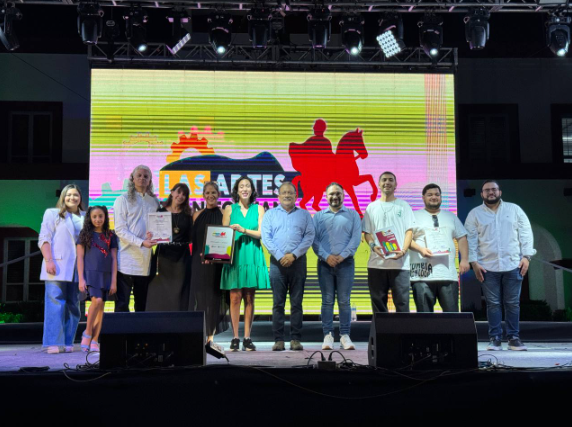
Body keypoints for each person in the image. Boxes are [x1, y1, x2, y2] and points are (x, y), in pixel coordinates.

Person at [465, 180, 536, 351]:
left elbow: (526, 233)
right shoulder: (475, 214)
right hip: (486, 267)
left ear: (500, 192)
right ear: (482, 194)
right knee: (493, 304)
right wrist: (474, 263)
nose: (491, 192)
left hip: (513, 264)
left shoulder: (514, 210)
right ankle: (495, 339)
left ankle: (513, 338)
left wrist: (527, 257)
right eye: (487, 190)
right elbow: (470, 240)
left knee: (512, 303)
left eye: (494, 189)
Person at [261, 181, 315, 351]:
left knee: (296, 303)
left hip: (298, 262)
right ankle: (278, 340)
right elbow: (266, 237)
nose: (287, 195)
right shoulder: (270, 214)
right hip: (277, 264)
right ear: (278, 196)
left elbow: (309, 236)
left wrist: (294, 255)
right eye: (283, 192)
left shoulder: (304, 215)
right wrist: (280, 256)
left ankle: (295, 339)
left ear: (296, 196)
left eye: (290, 193)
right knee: (278, 303)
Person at [221, 176, 270, 351]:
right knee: (234, 297)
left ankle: (247, 338)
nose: (244, 189)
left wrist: (243, 230)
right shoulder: (229, 209)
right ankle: (235, 337)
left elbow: (261, 234)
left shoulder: (259, 208)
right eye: (241, 186)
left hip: (252, 254)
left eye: (247, 186)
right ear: (237, 190)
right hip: (235, 255)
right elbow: (222, 234)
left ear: (252, 190)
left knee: (249, 297)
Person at [312, 183, 361, 350]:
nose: (335, 196)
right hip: (324, 264)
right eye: (331, 194)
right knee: (327, 301)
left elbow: (355, 239)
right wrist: (326, 256)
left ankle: (345, 336)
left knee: (344, 301)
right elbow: (314, 240)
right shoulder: (318, 216)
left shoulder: (353, 215)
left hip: (346, 263)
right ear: (326, 196)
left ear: (343, 195)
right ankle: (328, 335)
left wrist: (342, 256)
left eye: (338, 193)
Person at [38, 184, 85, 354]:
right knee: (55, 303)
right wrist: (48, 260)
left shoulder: (85, 216)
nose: (72, 198)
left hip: (77, 267)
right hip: (56, 265)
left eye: (75, 195)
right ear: (63, 197)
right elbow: (44, 238)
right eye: (68, 195)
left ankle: (67, 341)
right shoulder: (52, 213)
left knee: (73, 305)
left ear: (80, 198)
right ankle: (52, 342)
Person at [409, 183, 469, 313]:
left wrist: (464, 259)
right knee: (424, 318)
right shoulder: (413, 216)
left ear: (441, 197)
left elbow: (462, 237)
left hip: (447, 274)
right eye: (429, 195)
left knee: (452, 316)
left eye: (437, 194)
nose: (434, 197)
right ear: (423, 197)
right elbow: (406, 240)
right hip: (421, 275)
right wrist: (421, 250)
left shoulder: (451, 216)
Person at [362, 171, 416, 313]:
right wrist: (373, 246)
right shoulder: (371, 207)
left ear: (396, 184)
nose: (387, 182)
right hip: (376, 264)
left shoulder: (404, 206)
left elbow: (409, 231)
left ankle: (401, 329)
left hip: (401, 264)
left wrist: (403, 251)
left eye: (391, 180)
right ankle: (381, 329)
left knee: (402, 304)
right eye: (384, 180)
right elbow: (367, 233)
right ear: (379, 184)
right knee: (378, 304)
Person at [113, 165, 159, 312]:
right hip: (126, 260)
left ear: (150, 180)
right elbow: (120, 230)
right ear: (132, 178)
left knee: (142, 305)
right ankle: (121, 329)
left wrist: (155, 236)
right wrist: (141, 242)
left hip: (145, 261)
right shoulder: (122, 199)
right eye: (139, 175)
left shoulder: (154, 202)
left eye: (146, 176)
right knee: (122, 305)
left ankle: (140, 329)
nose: (142, 178)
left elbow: (157, 227)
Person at [189, 181, 229, 350]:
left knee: (213, 299)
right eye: (207, 193)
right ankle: (200, 334)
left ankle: (210, 338)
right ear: (203, 195)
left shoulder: (224, 214)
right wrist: (200, 254)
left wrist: (214, 256)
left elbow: (226, 239)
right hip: (198, 262)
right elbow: (193, 240)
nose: (211, 195)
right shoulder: (196, 215)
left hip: (216, 264)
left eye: (214, 192)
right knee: (199, 299)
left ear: (218, 195)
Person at [77, 206, 118, 352]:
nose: (98, 219)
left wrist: (113, 281)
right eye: (94, 216)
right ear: (89, 218)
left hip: (106, 274)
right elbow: (80, 257)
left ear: (105, 217)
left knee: (101, 307)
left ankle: (95, 340)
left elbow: (114, 258)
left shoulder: (111, 235)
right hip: (91, 273)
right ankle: (87, 332)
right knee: (97, 301)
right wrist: (81, 278)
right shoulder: (85, 234)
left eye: (100, 216)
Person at [146, 183, 193, 311]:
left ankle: (179, 319)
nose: (181, 196)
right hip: (163, 255)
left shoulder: (188, 214)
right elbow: (153, 233)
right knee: (161, 289)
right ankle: (160, 319)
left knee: (180, 290)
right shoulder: (160, 212)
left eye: (184, 194)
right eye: (178, 192)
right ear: (172, 193)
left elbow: (191, 237)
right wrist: (151, 235)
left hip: (182, 257)